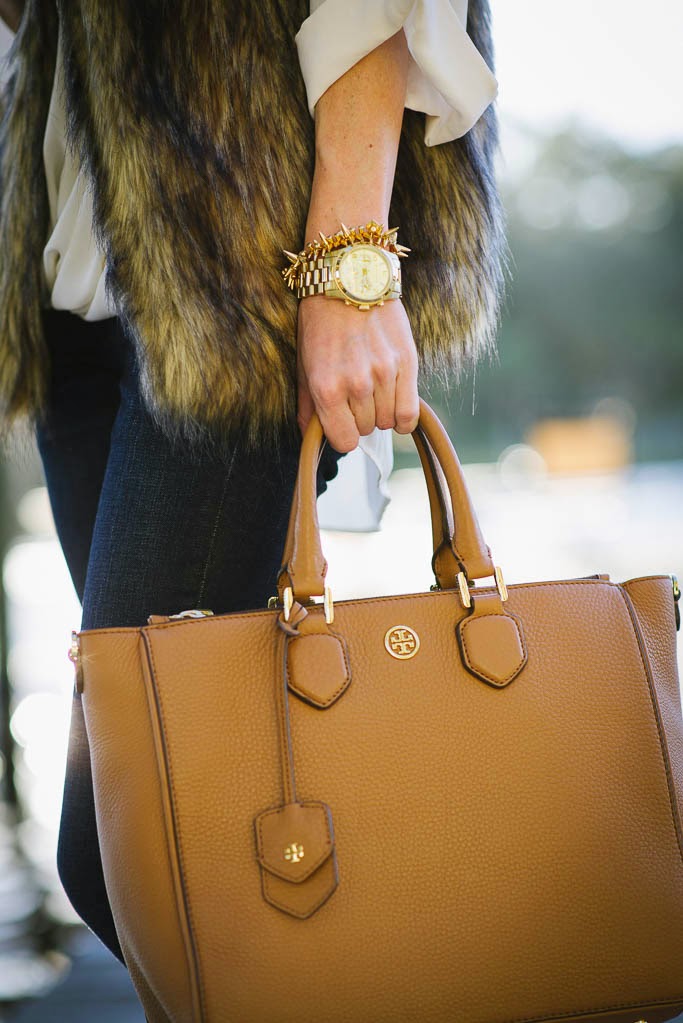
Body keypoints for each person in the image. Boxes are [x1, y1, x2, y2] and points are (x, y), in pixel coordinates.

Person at [0, 0, 504, 977]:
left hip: (245, 276)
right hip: (72, 291)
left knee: (133, 851)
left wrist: (348, 266)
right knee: (174, 848)